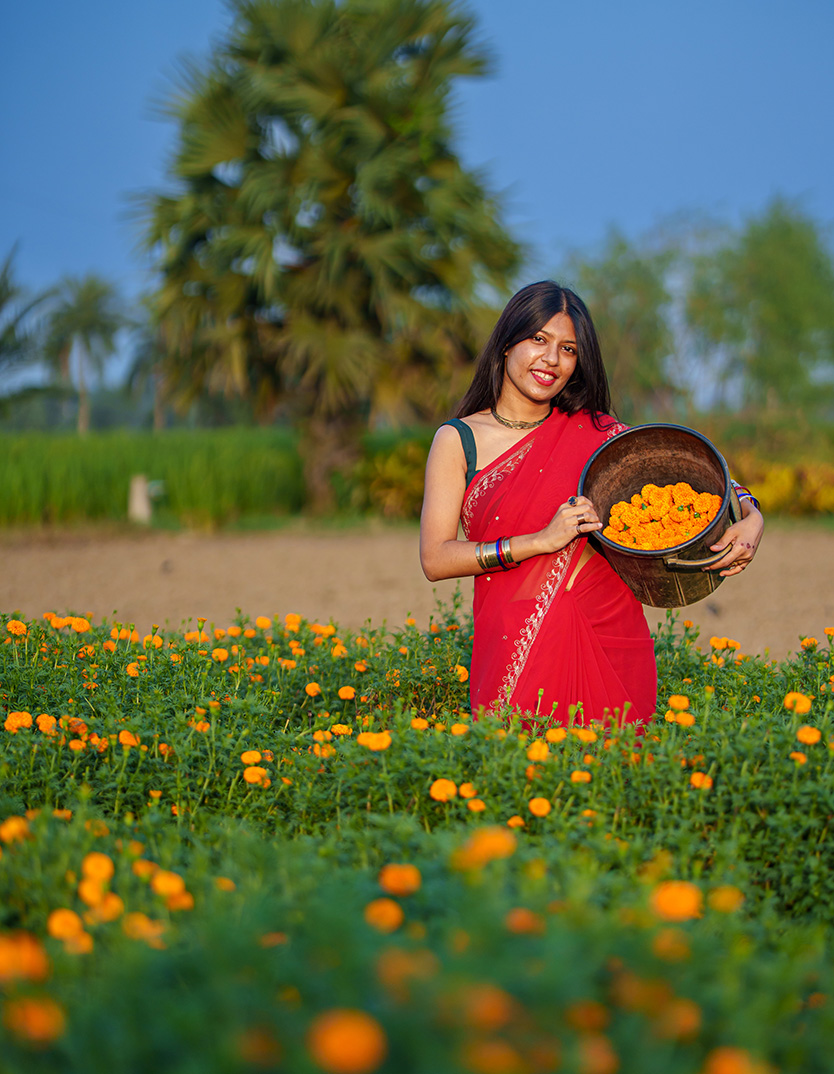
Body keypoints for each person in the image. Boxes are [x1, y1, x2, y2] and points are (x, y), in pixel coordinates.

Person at [419, 281, 763, 730]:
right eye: (538, 340)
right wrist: (538, 542)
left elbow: (689, 471)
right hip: (517, 641)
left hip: (610, 633)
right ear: (506, 344)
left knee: (616, 783)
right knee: (526, 779)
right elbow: (435, 557)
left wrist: (752, 515)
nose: (551, 359)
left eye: (568, 349)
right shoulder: (458, 440)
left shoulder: (598, 433)